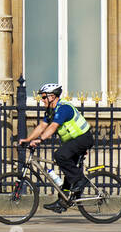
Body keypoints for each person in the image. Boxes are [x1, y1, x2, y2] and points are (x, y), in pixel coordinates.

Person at [16, 82, 94, 212]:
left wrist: (40, 139)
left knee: (60, 155)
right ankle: (63, 201)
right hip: (73, 141)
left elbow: (53, 126)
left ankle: (81, 180)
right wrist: (28, 139)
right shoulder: (51, 111)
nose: (42, 100)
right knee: (68, 171)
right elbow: (42, 126)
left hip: (83, 138)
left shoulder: (63, 108)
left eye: (44, 97)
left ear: (52, 96)